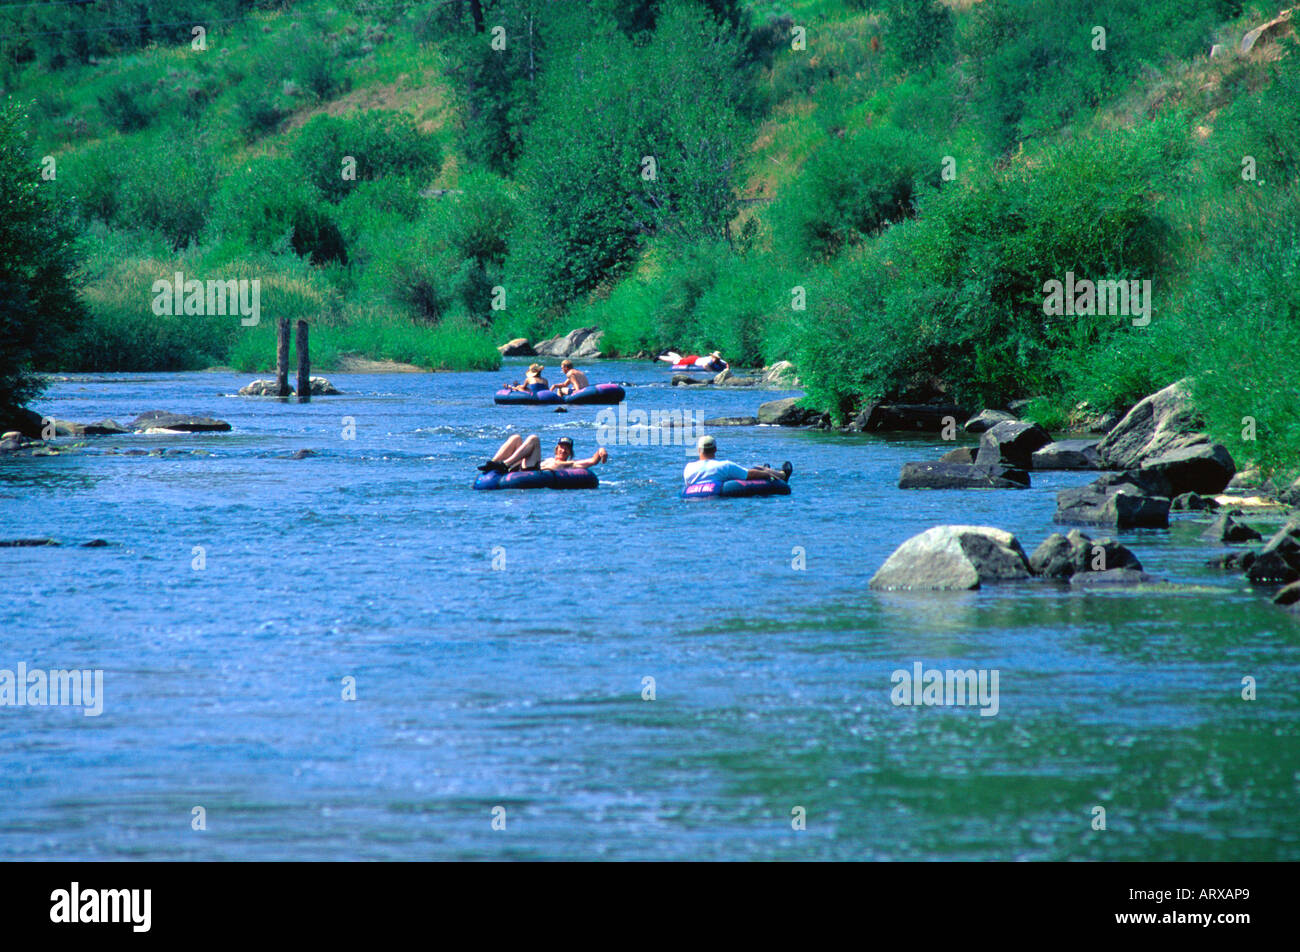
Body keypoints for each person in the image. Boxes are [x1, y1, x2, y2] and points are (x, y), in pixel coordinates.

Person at [682, 435, 790, 486]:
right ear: (715, 449)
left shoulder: (688, 468)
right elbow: (750, 475)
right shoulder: (724, 465)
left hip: (701, 494)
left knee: (753, 470)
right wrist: (767, 475)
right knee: (756, 469)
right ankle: (782, 475)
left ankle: (766, 468)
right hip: (722, 489)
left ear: (698, 450)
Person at [478, 434, 609, 474]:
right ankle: (492, 464)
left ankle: (505, 464)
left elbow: (592, 461)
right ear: (556, 449)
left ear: (570, 453)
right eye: (561, 447)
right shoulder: (549, 459)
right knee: (516, 438)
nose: (563, 450)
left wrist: (600, 451)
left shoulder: (569, 464)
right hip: (523, 466)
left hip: (532, 470)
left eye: (567, 449)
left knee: (534, 438)